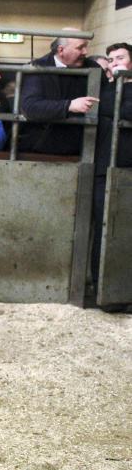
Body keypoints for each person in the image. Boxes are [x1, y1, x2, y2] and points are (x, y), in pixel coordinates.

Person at [90, 42, 132, 306]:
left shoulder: (115, 90)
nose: (114, 62)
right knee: (103, 229)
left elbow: (125, 111)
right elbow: (101, 106)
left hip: (127, 166)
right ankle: (102, 292)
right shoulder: (106, 88)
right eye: (111, 59)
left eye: (120, 58)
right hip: (105, 167)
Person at [19, 32, 103, 155]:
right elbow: (30, 107)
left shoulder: (93, 68)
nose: (85, 52)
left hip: (83, 145)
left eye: (86, 46)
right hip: (43, 145)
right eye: (80, 47)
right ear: (61, 50)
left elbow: (107, 97)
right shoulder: (37, 68)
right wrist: (69, 105)